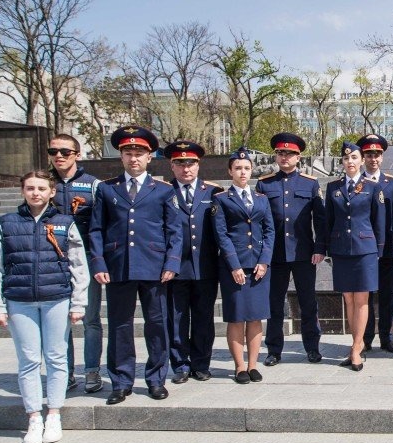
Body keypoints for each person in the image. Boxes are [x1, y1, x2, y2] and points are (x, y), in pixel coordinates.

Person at [0, 171, 88, 443]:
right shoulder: (7, 223)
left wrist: (79, 302)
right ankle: (33, 417)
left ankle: (53, 414)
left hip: (57, 297)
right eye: (30, 188)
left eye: (41, 188)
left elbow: (79, 264)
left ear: (51, 192)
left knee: (56, 358)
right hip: (19, 300)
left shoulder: (65, 223)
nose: (36, 193)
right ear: (22, 191)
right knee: (29, 361)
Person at [88, 126, 183, 405]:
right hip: (118, 267)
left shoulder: (163, 190)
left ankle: (156, 379)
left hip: (154, 267)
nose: (134, 158)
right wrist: (98, 262)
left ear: (149, 157)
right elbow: (96, 229)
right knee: (120, 325)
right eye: (128, 153)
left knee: (156, 325)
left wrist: (172, 262)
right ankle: (121, 381)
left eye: (139, 153)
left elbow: (174, 231)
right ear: (121, 156)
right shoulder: (107, 189)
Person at [257, 133, 326, 365]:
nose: (284, 157)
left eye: (289, 153)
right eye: (280, 153)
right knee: (275, 303)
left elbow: (320, 219)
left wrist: (320, 247)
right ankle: (274, 350)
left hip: (303, 253)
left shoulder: (310, 183)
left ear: (299, 157)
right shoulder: (265, 184)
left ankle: (312, 348)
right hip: (275, 254)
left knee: (308, 302)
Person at [213, 149, 275, 384]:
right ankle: (239, 366)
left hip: (258, 266)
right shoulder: (221, 200)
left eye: (246, 168)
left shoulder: (261, 199)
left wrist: (264, 261)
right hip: (234, 267)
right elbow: (221, 234)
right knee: (237, 317)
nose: (242, 172)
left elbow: (269, 231)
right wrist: (234, 265)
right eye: (238, 168)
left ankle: (253, 364)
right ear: (230, 171)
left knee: (256, 317)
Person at [325, 142, 387, 371]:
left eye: (353, 157)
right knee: (348, 299)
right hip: (341, 250)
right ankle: (355, 344)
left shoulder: (372, 187)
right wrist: (328, 248)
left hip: (365, 250)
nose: (349, 162)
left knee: (361, 300)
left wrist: (378, 250)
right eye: (345, 158)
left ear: (362, 161)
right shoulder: (333, 188)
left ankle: (356, 350)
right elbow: (328, 221)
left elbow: (379, 222)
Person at [163, 140, 222, 383]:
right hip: (175, 269)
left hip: (206, 266)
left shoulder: (213, 192)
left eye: (191, 163)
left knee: (203, 318)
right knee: (176, 318)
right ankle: (180, 364)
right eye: (180, 163)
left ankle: (201, 363)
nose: (186, 168)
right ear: (172, 165)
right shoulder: (163, 192)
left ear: (198, 165)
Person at [48, 133, 102, 393]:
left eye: (65, 151)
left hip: (88, 260)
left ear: (77, 155)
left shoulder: (92, 185)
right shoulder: (44, 183)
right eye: (54, 151)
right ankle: (65, 372)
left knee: (90, 319)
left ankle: (92, 371)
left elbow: (103, 225)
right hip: (55, 262)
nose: (59, 156)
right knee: (61, 321)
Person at [358, 133, 393, 354]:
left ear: (382, 157)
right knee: (365, 296)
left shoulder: (392, 184)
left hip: (385, 251)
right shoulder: (357, 183)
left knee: (387, 296)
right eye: (368, 154)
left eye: (376, 154)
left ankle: (386, 338)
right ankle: (366, 339)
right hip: (363, 251)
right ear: (363, 157)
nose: (373, 158)